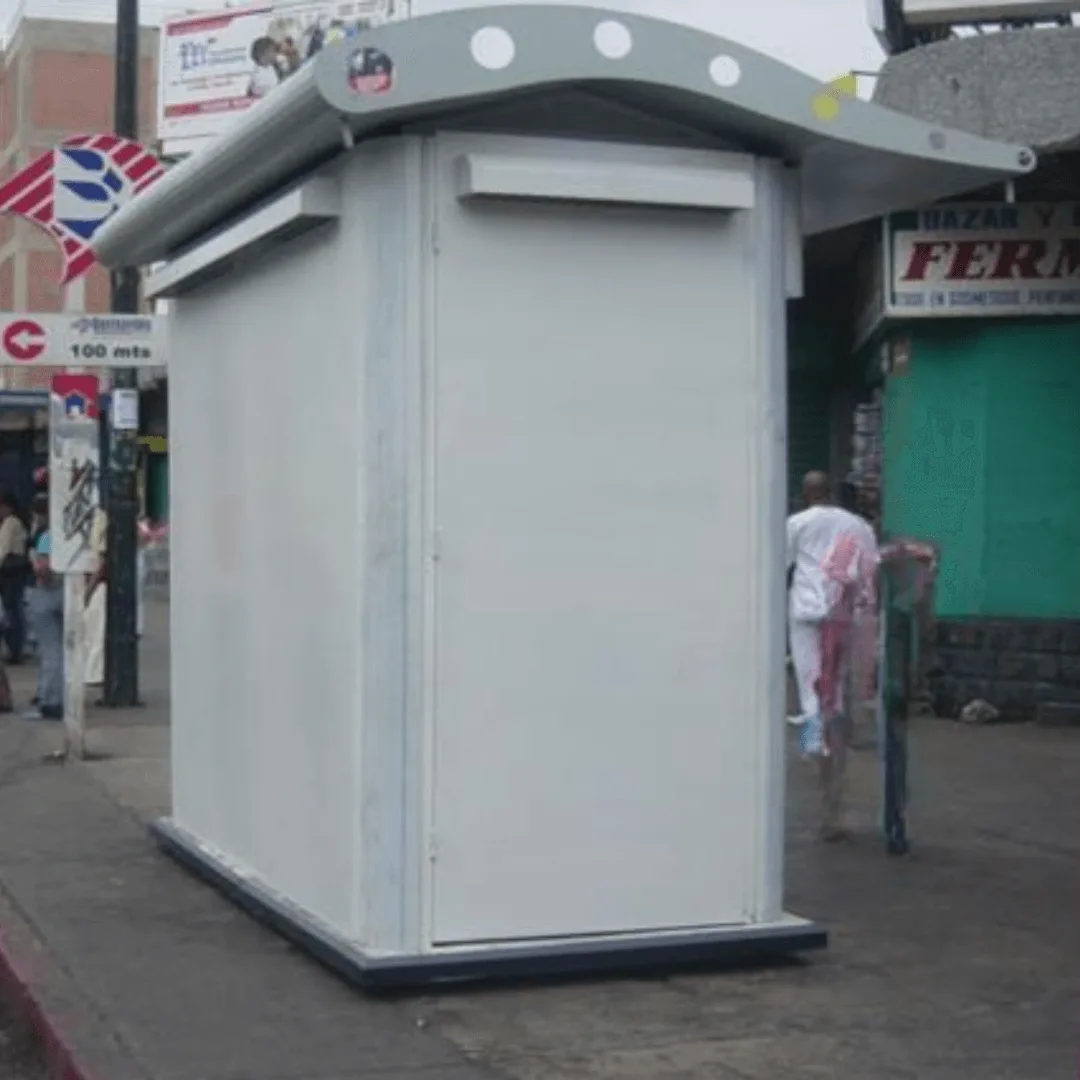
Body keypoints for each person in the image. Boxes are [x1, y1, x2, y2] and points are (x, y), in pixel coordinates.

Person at [25, 527, 62, 720]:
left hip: (47, 594)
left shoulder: (48, 536)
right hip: (68, 594)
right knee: (66, 650)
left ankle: (49, 700)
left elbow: (42, 568)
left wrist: (36, 564)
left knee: (49, 652)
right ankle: (61, 696)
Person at [0, 491, 29, 665]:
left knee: (12, 611)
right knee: (12, 611)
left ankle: (15, 649)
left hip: (10, 573)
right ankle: (14, 648)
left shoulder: (11, 524)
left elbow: (3, 549)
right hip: (10, 573)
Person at [84, 505, 107, 687]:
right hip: (93, 581)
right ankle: (92, 672)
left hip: (97, 584)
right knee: (93, 630)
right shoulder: (96, 521)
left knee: (96, 630)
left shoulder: (100, 521)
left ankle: (94, 673)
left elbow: (101, 563)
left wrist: (88, 590)